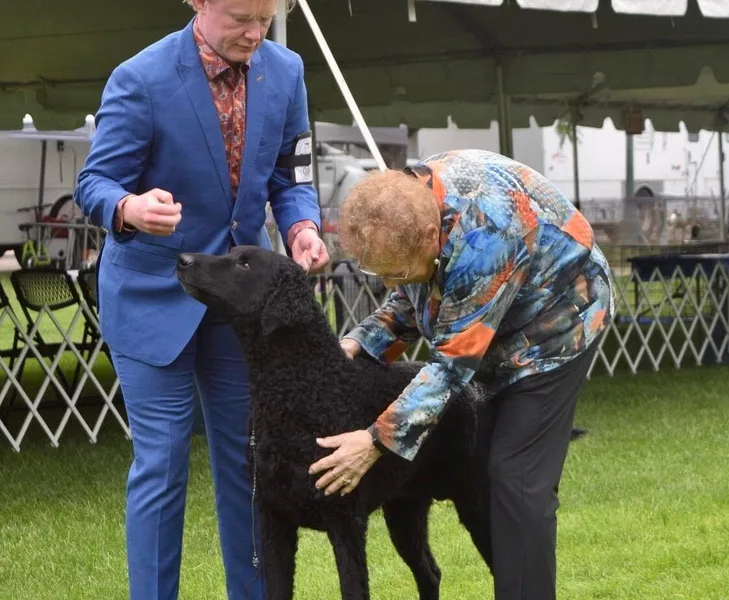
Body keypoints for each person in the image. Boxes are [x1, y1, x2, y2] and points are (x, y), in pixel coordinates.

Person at [73, 1, 328, 598]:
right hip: (149, 295)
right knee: (161, 467)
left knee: (250, 461)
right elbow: (94, 183)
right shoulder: (140, 77)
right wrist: (128, 209)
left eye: (265, 19)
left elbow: (292, 178)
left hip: (240, 305)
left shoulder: (286, 71)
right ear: (199, 1)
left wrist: (301, 228)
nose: (254, 33)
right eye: (241, 16)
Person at [308, 149, 614, 600]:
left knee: (517, 478)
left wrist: (374, 440)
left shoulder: (486, 236)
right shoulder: (410, 205)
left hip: (558, 325)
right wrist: (357, 343)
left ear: (431, 236)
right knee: (490, 474)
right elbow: (416, 290)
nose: (390, 284)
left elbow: (451, 368)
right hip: (495, 324)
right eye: (380, 273)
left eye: (396, 273)